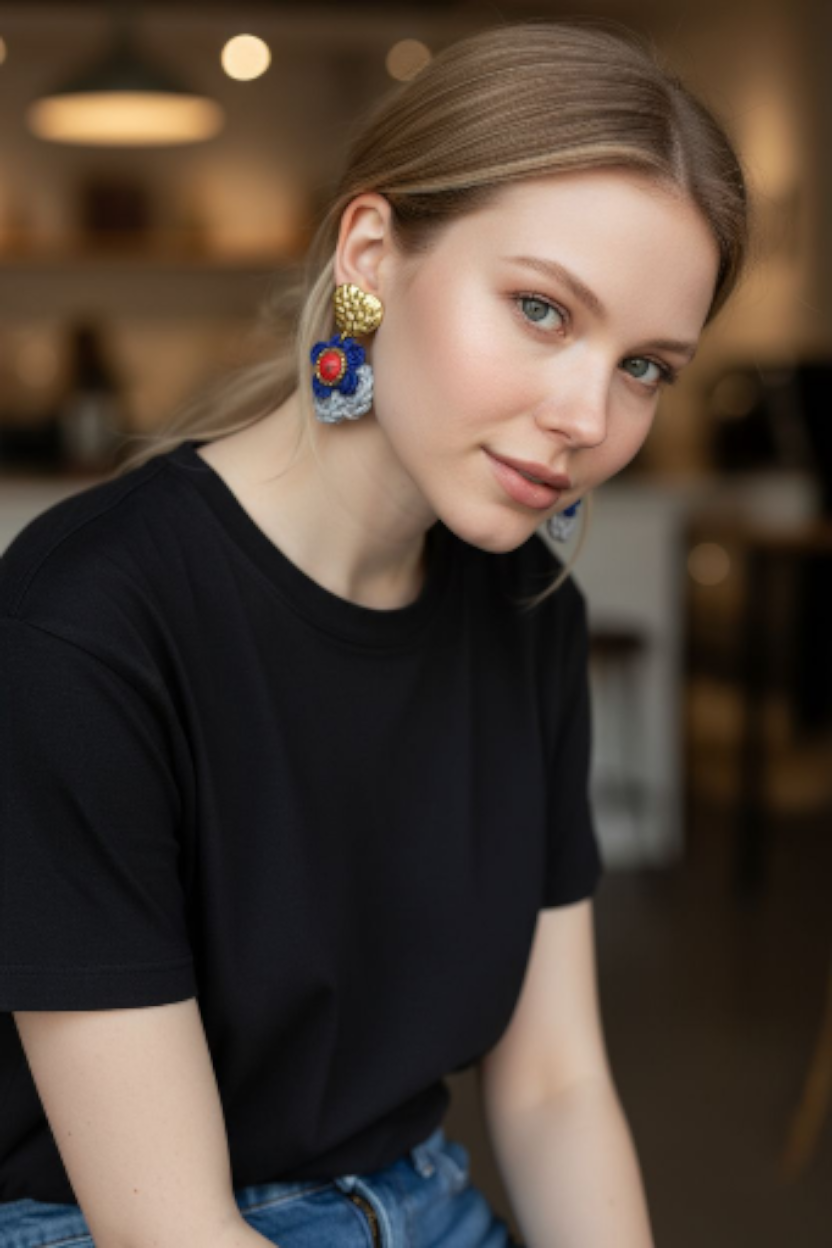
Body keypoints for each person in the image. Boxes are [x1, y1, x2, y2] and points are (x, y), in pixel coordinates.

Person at [0, 18, 748, 1248]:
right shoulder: (87, 621)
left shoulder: (525, 612)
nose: (587, 418)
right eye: (543, 310)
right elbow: (167, 1227)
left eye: (646, 367)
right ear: (370, 258)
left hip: (425, 1203)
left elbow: (556, 1091)